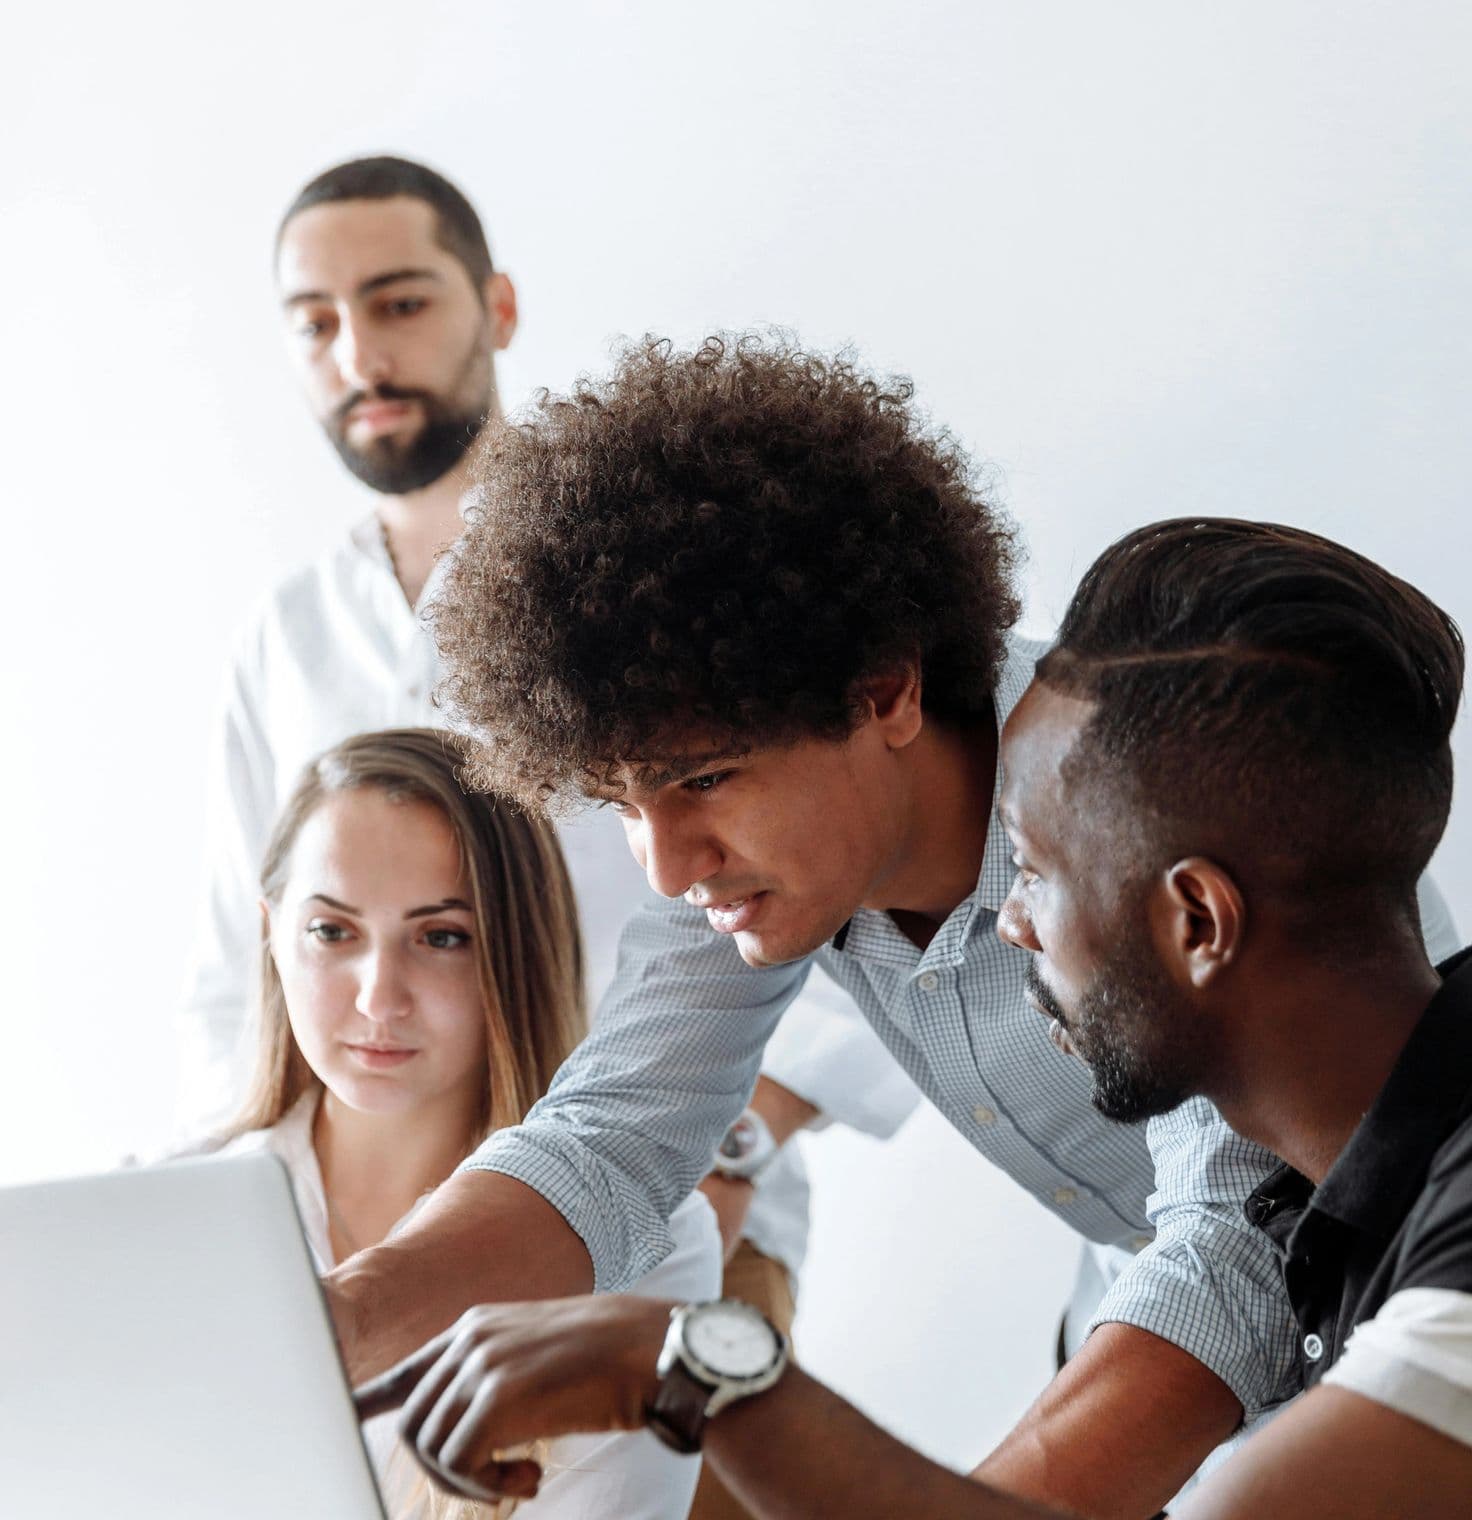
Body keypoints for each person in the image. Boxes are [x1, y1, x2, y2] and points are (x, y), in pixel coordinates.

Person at [321, 336, 1458, 1519]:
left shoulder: (1136, 797)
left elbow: (1237, 1242)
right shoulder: (767, 857)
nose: (665, 864)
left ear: (886, 689)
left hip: (1377, 1342)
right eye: (619, 804)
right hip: (1137, 1338)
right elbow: (607, 1137)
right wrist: (327, 1329)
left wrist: (715, 1378)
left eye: (703, 777)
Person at [182, 158, 920, 1519]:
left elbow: (862, 857)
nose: (362, 353)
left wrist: (731, 1146)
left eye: (399, 302)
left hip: (673, 1191)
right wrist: (244, 1224)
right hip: (369, 1221)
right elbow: (243, 966)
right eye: (316, 321)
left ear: (497, 306)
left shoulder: (643, 581)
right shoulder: (284, 638)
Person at [211, 726, 721, 1519]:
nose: (380, 998)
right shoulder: (174, 1213)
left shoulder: (647, 1239)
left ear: (520, 946)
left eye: (442, 937)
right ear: (272, 931)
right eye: (332, 931)